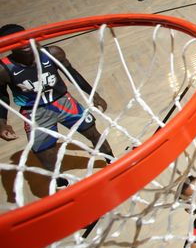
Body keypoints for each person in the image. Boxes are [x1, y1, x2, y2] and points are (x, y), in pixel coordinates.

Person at [0, 24, 114, 186]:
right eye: (17, 41)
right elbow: (2, 96)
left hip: (64, 102)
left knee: (93, 133)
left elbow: (73, 74)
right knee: (43, 153)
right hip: (34, 112)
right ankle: (60, 183)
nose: (24, 43)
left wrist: (93, 94)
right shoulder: (3, 69)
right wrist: (2, 122)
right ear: (9, 46)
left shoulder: (52, 53)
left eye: (25, 37)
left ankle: (111, 160)